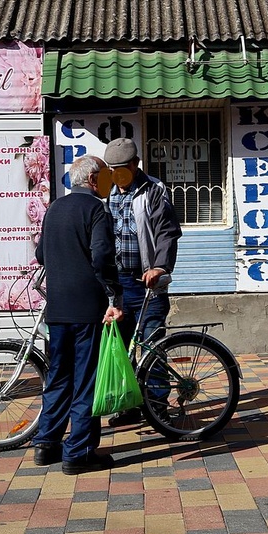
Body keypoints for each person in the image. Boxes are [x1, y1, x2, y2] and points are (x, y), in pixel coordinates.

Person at [31, 155, 124, 475]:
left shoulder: (55, 208)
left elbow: (40, 254)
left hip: (56, 308)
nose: (110, 184)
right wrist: (114, 292)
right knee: (86, 381)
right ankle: (79, 452)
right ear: (94, 180)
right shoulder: (97, 209)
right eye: (107, 178)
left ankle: (47, 445)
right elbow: (102, 257)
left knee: (58, 377)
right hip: (88, 309)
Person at [101, 137, 182, 426]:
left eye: (122, 167)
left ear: (135, 165)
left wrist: (160, 267)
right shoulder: (105, 193)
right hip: (117, 286)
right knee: (119, 349)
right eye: (112, 168)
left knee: (151, 347)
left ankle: (158, 407)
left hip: (146, 282)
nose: (117, 173)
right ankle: (129, 405)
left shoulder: (153, 189)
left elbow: (167, 231)